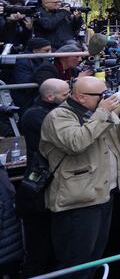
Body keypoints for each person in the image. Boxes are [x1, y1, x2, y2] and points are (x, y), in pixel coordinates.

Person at [38, 76, 120, 279]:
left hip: (104, 195)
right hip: (78, 201)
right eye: (101, 95)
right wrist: (102, 113)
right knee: (75, 263)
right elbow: (75, 143)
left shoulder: (98, 113)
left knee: (94, 258)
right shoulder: (59, 116)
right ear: (81, 97)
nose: (108, 98)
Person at [15, 79, 70, 277]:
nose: (69, 98)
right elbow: (64, 142)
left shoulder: (51, 112)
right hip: (39, 189)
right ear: (49, 96)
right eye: (65, 95)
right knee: (39, 249)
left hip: (50, 184)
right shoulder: (35, 115)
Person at [10, 37, 52, 114]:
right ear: (35, 51)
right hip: (26, 99)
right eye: (46, 51)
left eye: (50, 50)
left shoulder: (40, 60)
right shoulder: (23, 62)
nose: (50, 53)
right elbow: (24, 83)